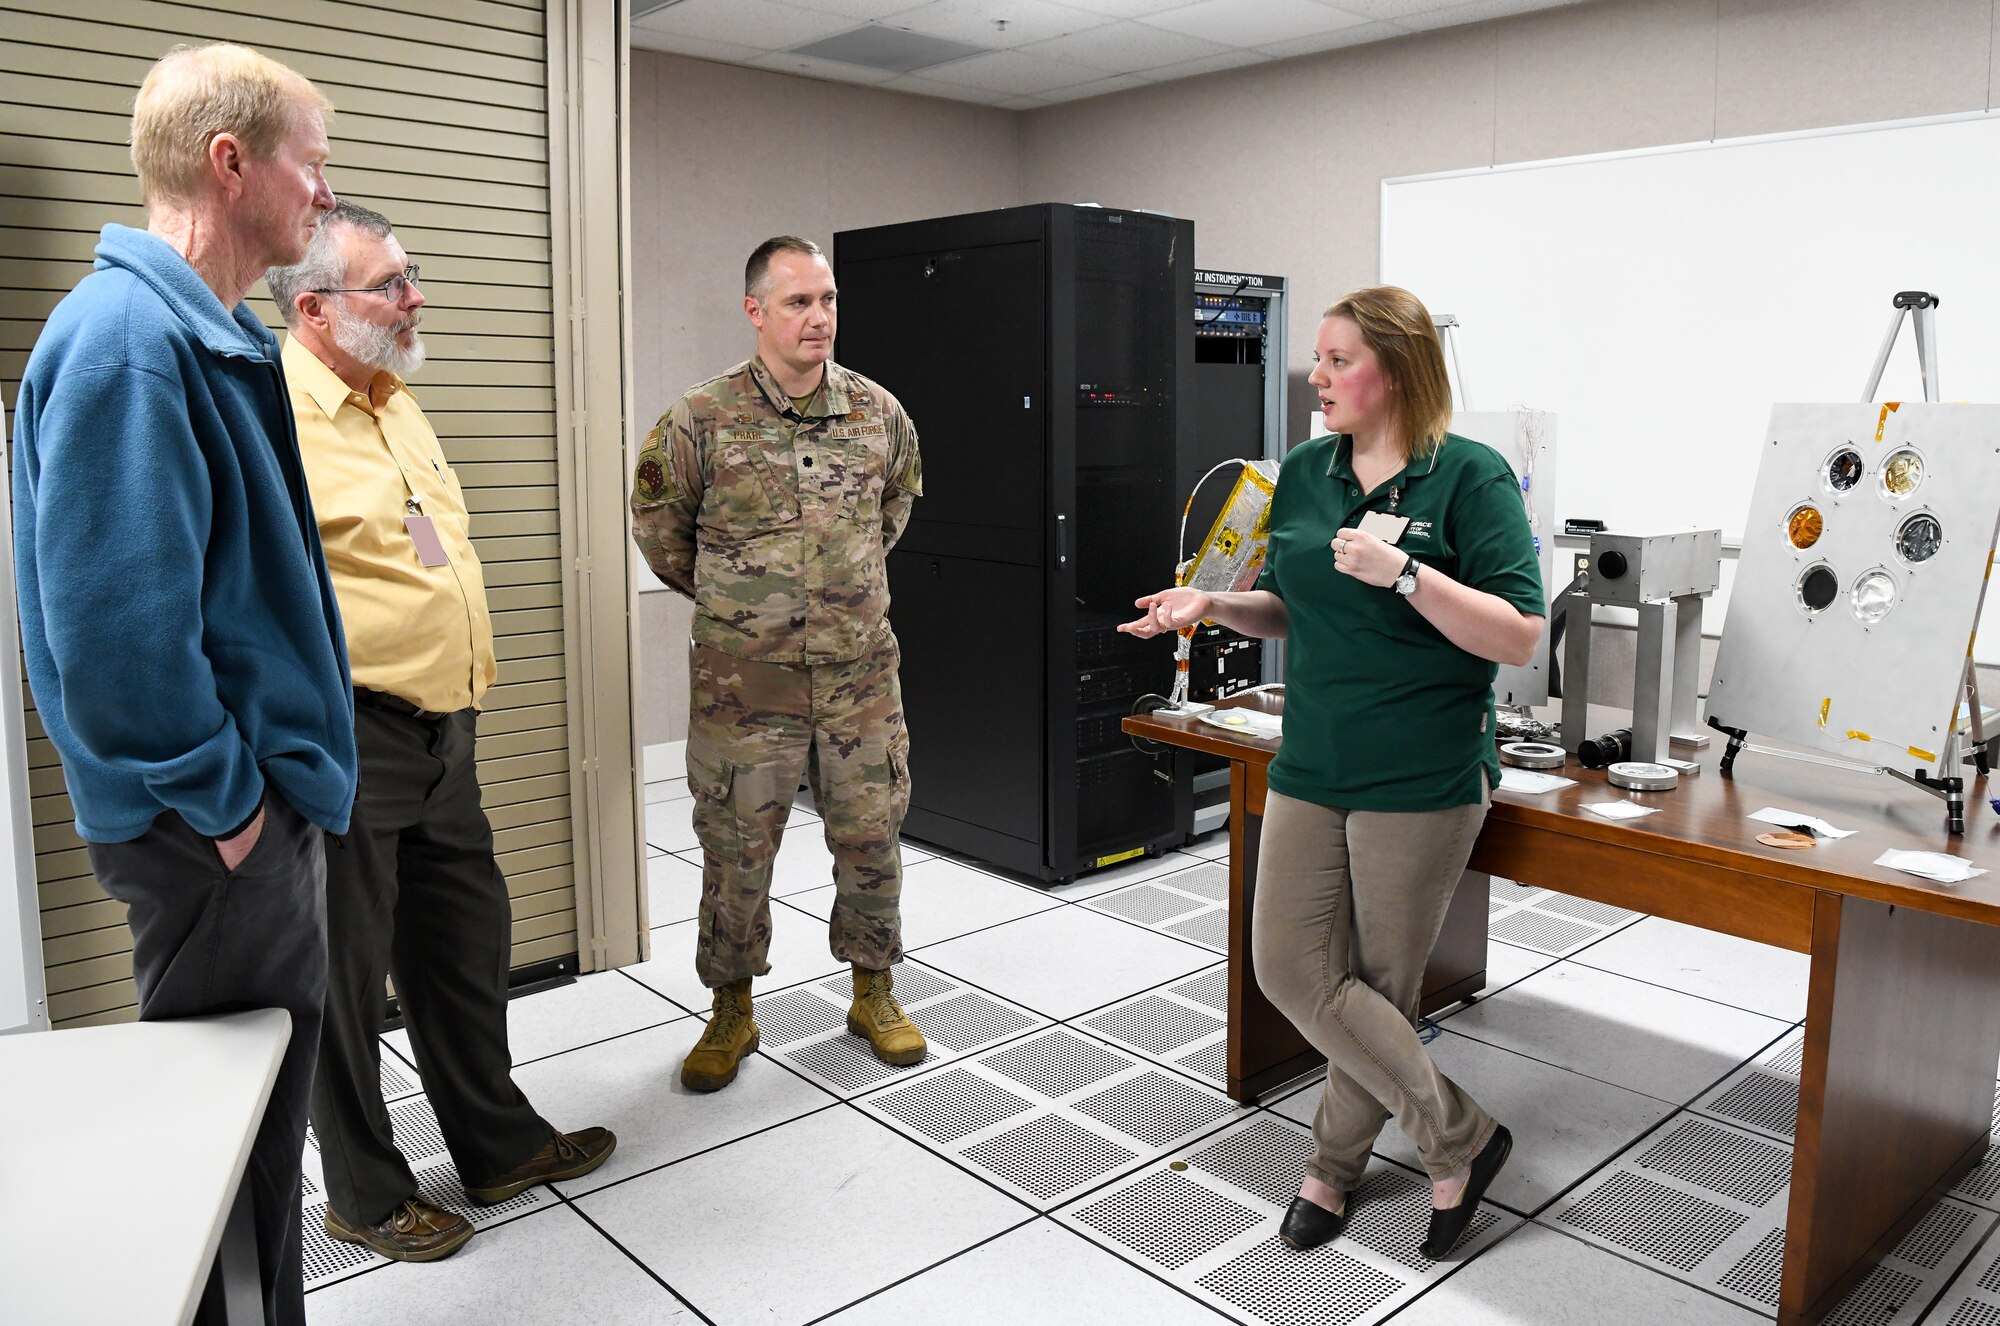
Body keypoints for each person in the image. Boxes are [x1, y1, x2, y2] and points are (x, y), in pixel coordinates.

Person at [10, 44, 353, 1325]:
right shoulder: (124, 346)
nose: (324, 193)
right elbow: (116, 652)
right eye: (310, 164)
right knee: (223, 1164)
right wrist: (232, 812)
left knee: (257, 1144)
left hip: (243, 819)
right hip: (212, 831)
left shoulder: (204, 332)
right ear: (231, 162)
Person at [1119, 286, 1543, 1259]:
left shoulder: (1469, 478)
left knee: (1377, 990)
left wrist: (1406, 574)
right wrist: (1211, 606)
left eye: (1337, 358)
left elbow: (1519, 635)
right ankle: (1460, 1139)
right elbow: (1288, 605)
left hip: (1420, 770)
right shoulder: (1306, 471)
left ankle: (1331, 1169)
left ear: (1392, 372)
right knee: (1289, 966)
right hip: (1311, 757)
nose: (1315, 375)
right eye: (1317, 356)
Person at [266, 201, 615, 1262]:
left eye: (410, 276)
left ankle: (496, 1141)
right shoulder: (270, 411)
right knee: (342, 968)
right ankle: (365, 1194)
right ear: (314, 305)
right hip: (347, 732)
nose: (416, 299)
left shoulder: (394, 400)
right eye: (391, 284)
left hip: (443, 729)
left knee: (463, 944)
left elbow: (421, 554)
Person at [631, 235, 925, 1092]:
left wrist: (833, 596)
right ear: (756, 311)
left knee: (871, 836)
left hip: (860, 678)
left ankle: (874, 988)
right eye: (798, 302)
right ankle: (731, 1009)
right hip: (743, 686)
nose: (819, 317)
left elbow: (894, 510)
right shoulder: (701, 418)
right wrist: (748, 608)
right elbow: (661, 535)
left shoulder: (879, 414)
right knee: (735, 846)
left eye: (827, 300)